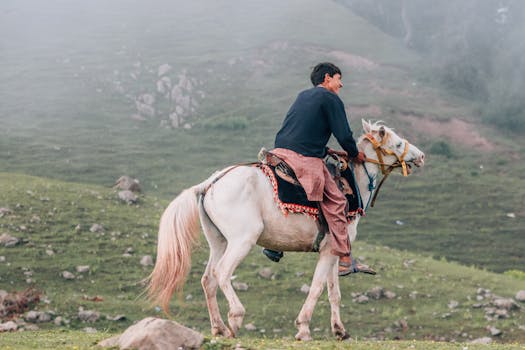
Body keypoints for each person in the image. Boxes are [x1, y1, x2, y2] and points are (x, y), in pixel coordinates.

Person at [264, 62, 366, 276]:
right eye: (339, 78)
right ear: (327, 78)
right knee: (338, 201)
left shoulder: (303, 95)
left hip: (280, 151)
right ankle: (345, 259)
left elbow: (301, 128)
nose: (341, 84)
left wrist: (326, 149)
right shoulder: (331, 99)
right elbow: (345, 135)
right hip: (303, 156)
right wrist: (355, 154)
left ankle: (273, 244)